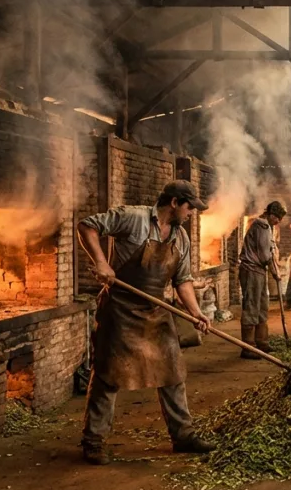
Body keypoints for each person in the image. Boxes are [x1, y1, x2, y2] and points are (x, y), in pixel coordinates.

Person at [76, 180, 215, 465]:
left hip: (155, 311)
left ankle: (183, 435)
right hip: (120, 308)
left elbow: (182, 280)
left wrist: (196, 312)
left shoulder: (181, 239)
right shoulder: (133, 217)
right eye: (189, 207)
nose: (192, 214)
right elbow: (87, 225)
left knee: (173, 371)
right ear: (174, 203)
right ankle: (94, 441)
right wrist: (102, 262)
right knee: (108, 374)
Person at [239, 201, 286, 359]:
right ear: (272, 215)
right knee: (252, 305)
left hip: (259, 271)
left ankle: (262, 342)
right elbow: (265, 255)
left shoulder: (268, 227)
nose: (279, 221)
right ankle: (248, 347)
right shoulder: (262, 226)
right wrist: (275, 271)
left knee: (262, 305)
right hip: (251, 269)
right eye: (278, 218)